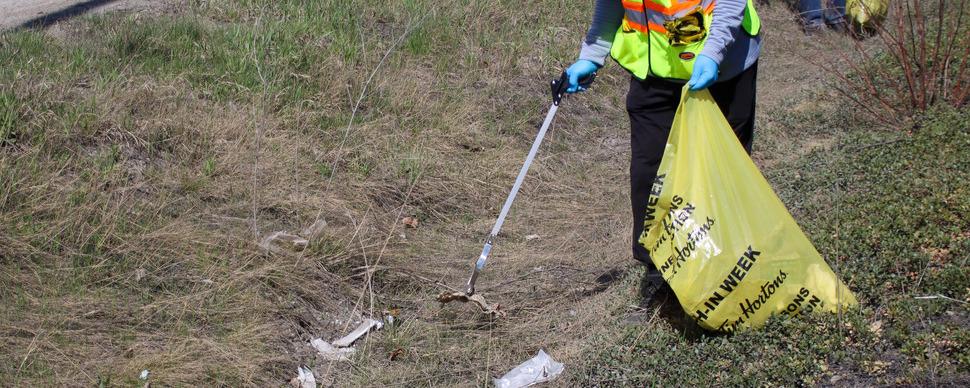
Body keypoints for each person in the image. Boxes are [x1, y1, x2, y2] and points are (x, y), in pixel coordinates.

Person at [564, 0, 761, 278]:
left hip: (724, 63)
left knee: (723, 170)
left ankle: (729, 265)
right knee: (650, 173)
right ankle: (659, 272)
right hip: (655, 71)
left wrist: (713, 52)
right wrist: (591, 55)